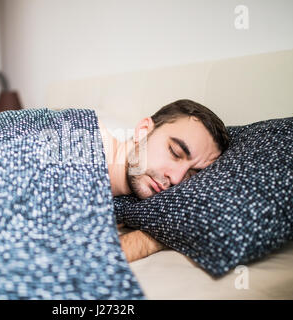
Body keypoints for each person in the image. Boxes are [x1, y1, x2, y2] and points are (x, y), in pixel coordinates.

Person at [98, 99, 230, 263]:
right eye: (175, 152)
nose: (176, 178)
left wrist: (161, 233)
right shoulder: (84, 138)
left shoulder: (122, 205)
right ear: (143, 130)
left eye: (191, 174)